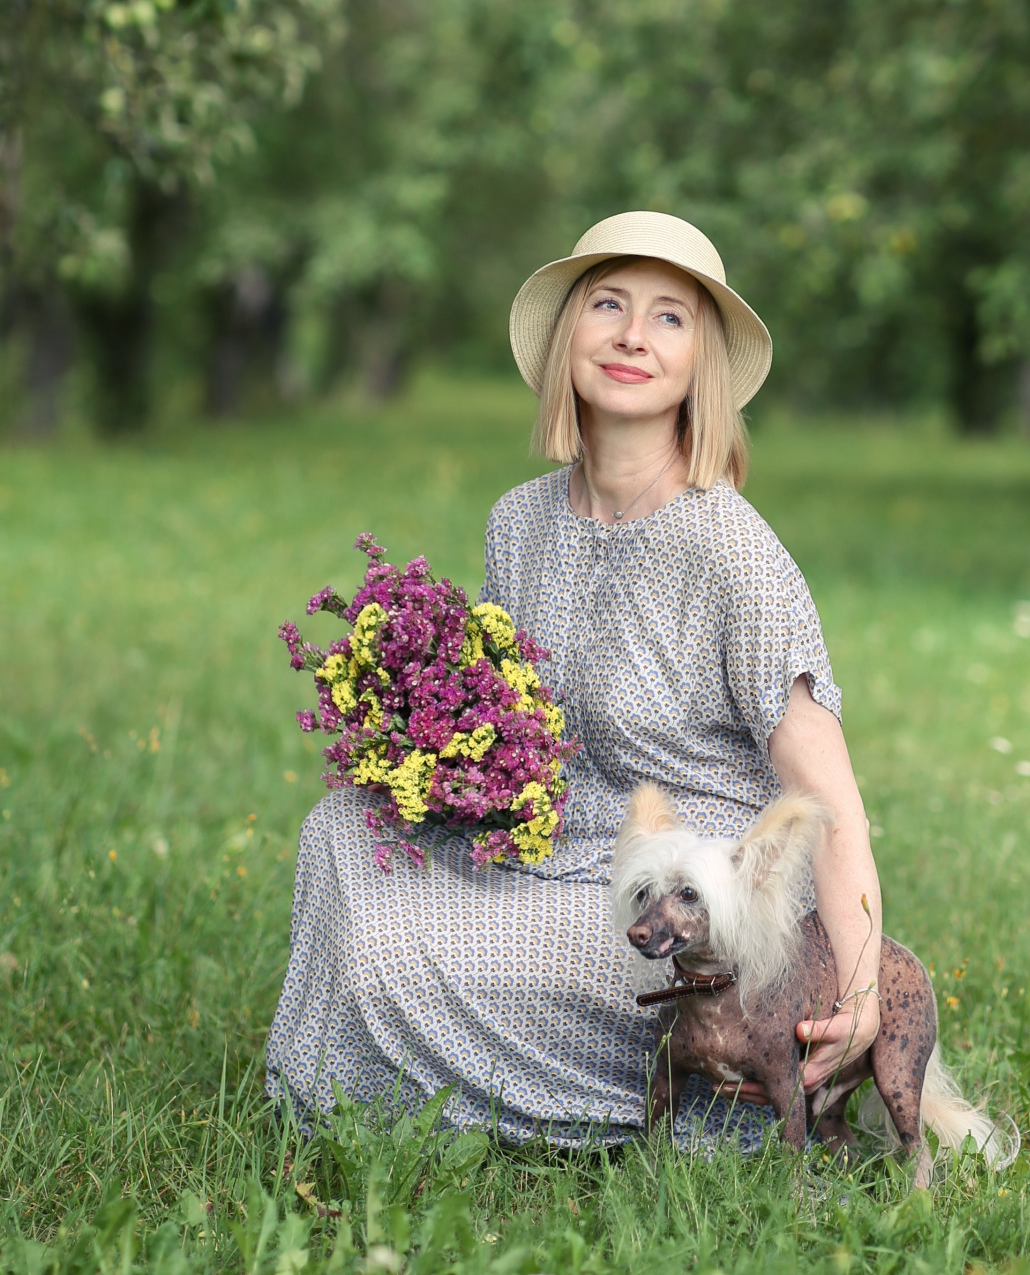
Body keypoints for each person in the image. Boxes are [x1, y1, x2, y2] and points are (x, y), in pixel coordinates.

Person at [267, 211, 882, 1147]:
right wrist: (426, 756)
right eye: (608, 304)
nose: (633, 335)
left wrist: (863, 990)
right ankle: (338, 1091)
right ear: (570, 339)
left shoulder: (731, 551)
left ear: (699, 366)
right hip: (552, 857)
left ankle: (709, 1110)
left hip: (682, 911)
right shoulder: (519, 521)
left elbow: (826, 795)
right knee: (342, 832)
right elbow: (520, 732)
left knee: (390, 953)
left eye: (670, 317)